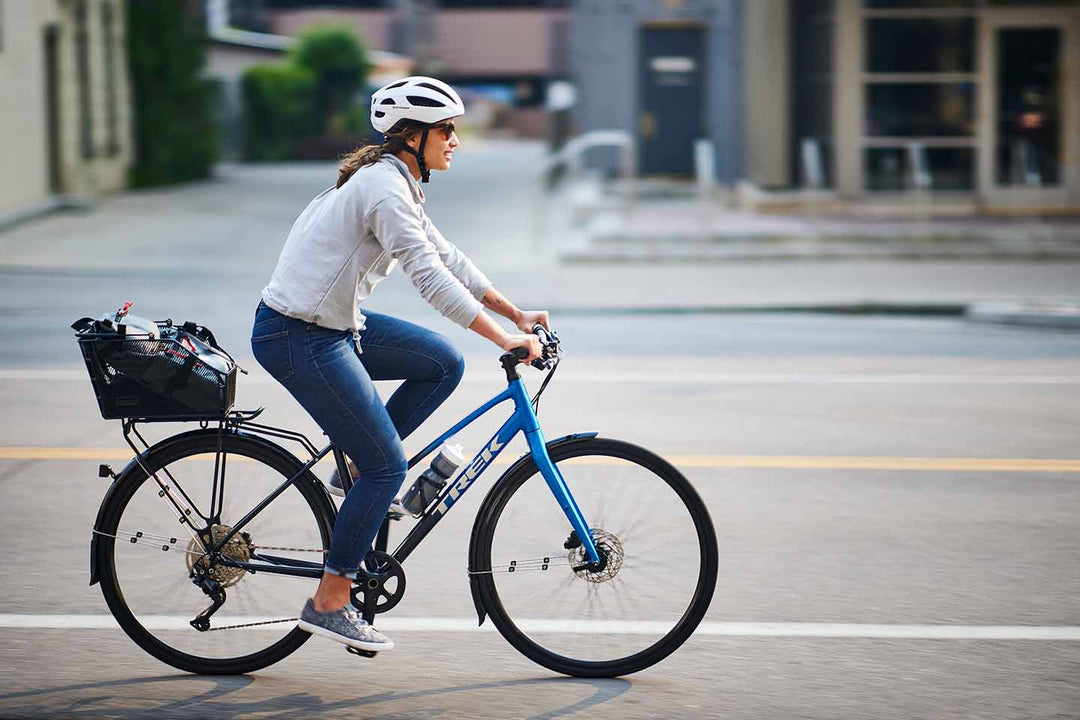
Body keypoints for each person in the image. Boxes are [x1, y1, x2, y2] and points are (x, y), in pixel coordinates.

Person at [250, 76, 549, 653]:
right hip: (298, 336)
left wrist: (515, 313)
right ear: (412, 136)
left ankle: (356, 473)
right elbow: (429, 278)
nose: (455, 140)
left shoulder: (399, 183)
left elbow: (447, 256)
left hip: (332, 327)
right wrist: (503, 339)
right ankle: (329, 603)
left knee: (440, 361)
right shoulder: (383, 188)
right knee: (390, 467)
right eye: (447, 129)